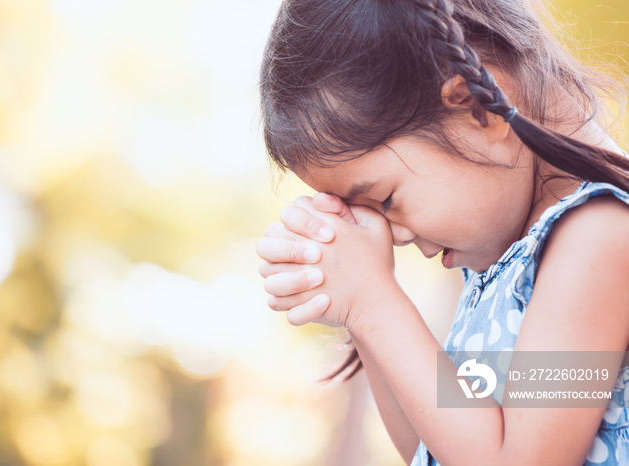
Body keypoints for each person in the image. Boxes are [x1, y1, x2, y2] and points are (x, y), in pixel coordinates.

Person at [255, 0, 629, 464]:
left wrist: (374, 303)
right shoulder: (506, 262)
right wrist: (359, 310)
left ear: (476, 108)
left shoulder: (598, 238)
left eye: (386, 200)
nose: (393, 236)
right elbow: (432, 446)